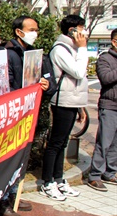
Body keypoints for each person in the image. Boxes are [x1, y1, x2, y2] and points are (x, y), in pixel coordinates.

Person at [0, 16, 52, 216]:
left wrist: (45, 85)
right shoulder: (6, 53)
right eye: (31, 29)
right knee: (8, 156)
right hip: (14, 115)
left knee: (20, 156)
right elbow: (4, 86)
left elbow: (50, 81)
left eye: (37, 29)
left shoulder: (35, 54)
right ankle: (1, 201)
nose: (35, 33)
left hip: (28, 114)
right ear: (19, 32)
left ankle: (13, 195)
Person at [39, 15, 89, 201]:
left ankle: (58, 179)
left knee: (63, 143)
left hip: (73, 101)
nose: (84, 32)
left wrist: (81, 107)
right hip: (63, 101)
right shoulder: (60, 49)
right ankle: (47, 182)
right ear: (71, 30)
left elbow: (80, 80)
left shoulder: (74, 49)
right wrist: (83, 48)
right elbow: (77, 72)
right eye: (81, 28)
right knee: (55, 143)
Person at [85, 29, 117, 191]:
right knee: (104, 142)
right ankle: (95, 175)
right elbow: (106, 79)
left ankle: (110, 172)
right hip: (109, 106)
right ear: (114, 42)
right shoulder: (105, 59)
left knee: (115, 144)